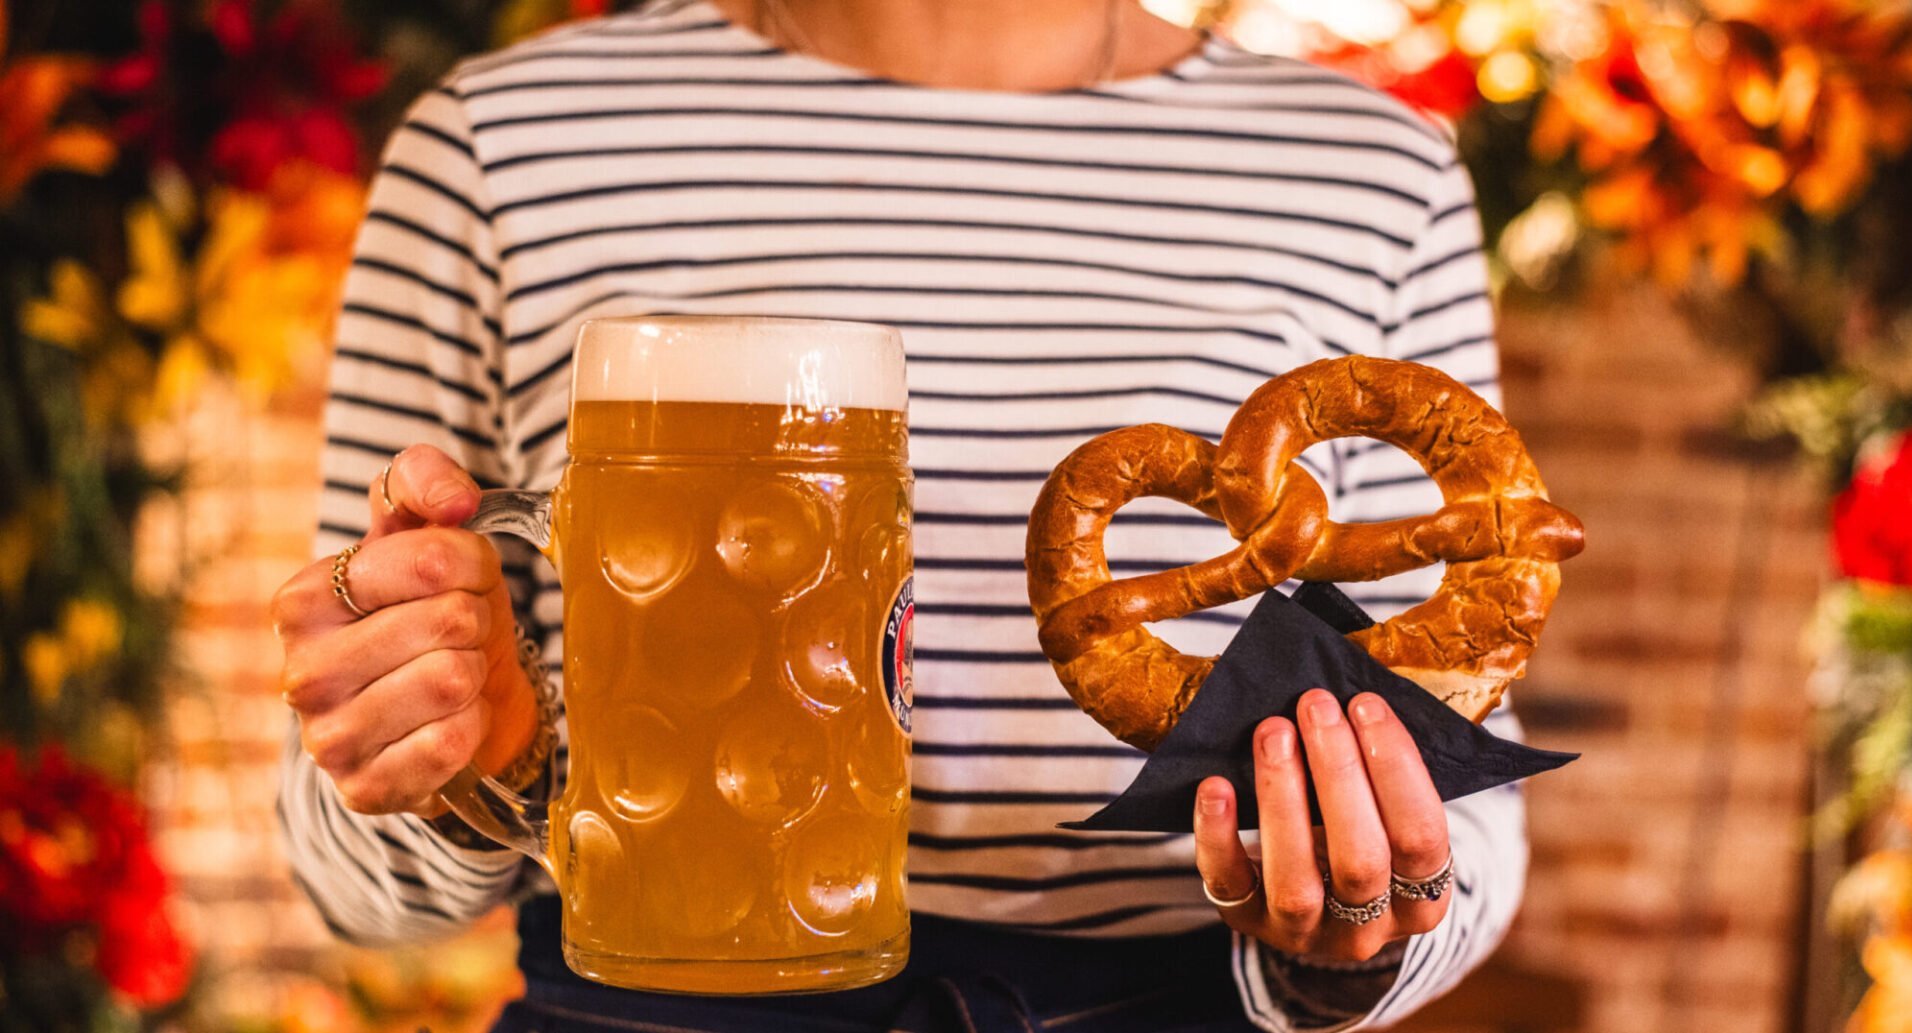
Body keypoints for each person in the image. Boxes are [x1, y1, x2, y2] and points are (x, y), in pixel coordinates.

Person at [270, 0, 1527, 1029]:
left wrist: (1345, 949)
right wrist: (457, 762)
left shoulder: (1371, 173)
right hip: (647, 1002)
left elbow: (1460, 798)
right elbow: (350, 880)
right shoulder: (501, 141)